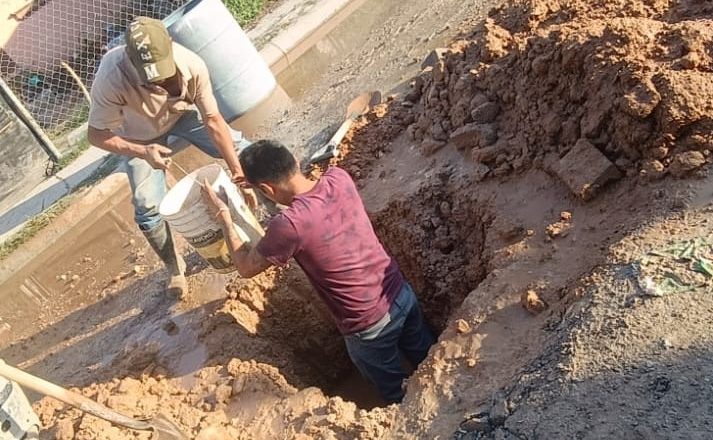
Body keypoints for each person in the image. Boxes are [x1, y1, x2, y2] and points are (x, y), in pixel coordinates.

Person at [201, 140, 436, 403]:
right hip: (401, 294)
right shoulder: (339, 177)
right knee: (431, 360)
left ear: (266, 188)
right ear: (295, 162)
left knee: (397, 393)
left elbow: (245, 267)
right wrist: (263, 184)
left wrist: (223, 214)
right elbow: (303, 204)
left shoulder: (289, 225)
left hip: (368, 325)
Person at [87, 17, 255, 297]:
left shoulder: (192, 64)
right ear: (129, 58)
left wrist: (237, 171)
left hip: (181, 116)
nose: (159, 80)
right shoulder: (111, 76)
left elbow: (213, 120)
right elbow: (96, 135)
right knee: (146, 208)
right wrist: (143, 151)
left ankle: (274, 209)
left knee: (243, 152)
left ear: (171, 45)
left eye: (163, 71)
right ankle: (175, 268)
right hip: (139, 136)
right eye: (150, 76)